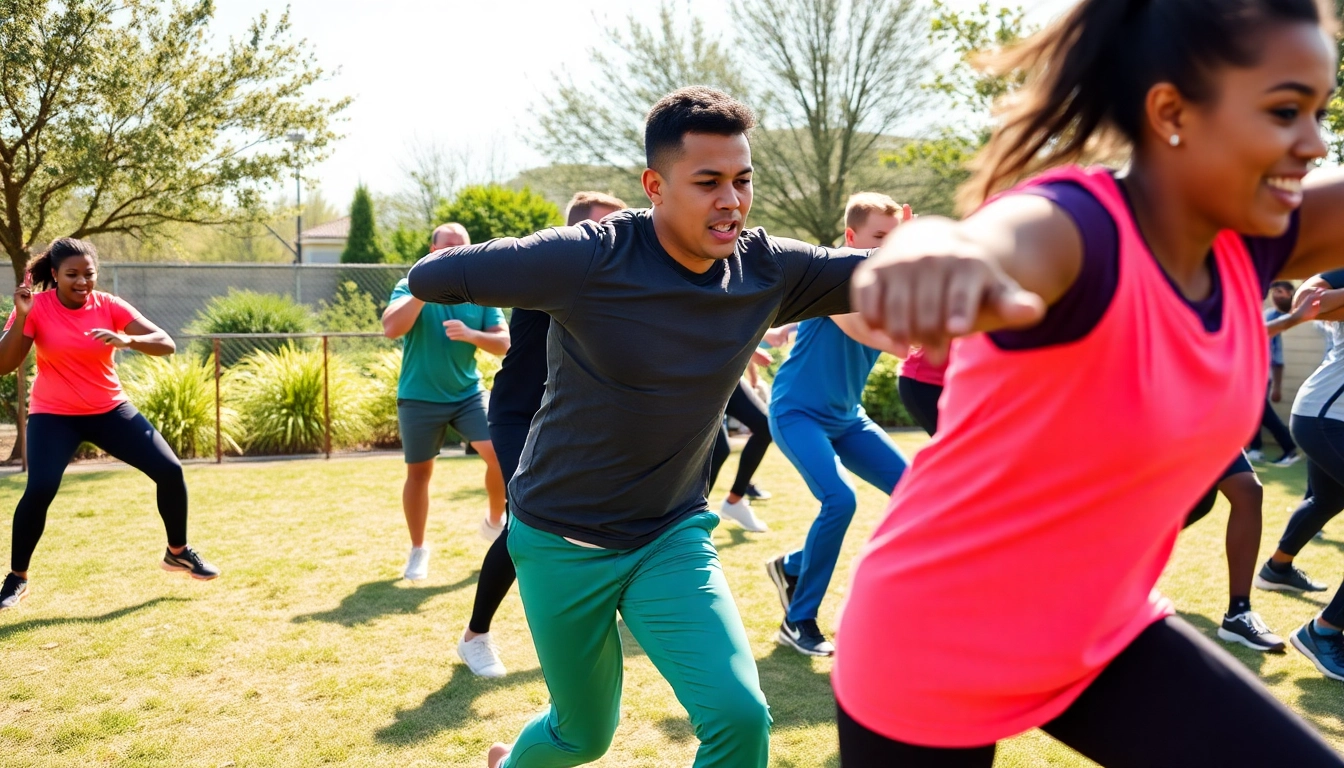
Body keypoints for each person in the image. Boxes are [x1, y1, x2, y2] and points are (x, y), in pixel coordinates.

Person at [834, 1, 1344, 764]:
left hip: (1101, 636)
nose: (1312, 143)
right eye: (1284, 111)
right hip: (935, 638)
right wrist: (937, 250)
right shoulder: (1078, 228)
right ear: (1171, 110)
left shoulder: (1256, 238)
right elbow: (998, 242)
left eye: (1320, 112)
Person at [409, 86, 869, 768]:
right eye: (708, 182)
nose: (731, 201)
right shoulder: (592, 258)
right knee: (582, 735)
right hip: (559, 540)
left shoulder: (766, 268)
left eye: (742, 181)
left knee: (742, 719)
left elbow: (873, 273)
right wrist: (527, 260)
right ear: (655, 185)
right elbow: (431, 275)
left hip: (670, 536)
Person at [456, 191, 628, 679]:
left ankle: (601, 614)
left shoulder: (616, 281)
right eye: (607, 230)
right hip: (520, 416)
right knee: (526, 526)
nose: (620, 241)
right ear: (575, 236)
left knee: (601, 515)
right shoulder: (549, 273)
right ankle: (476, 636)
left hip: (576, 420)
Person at [0, 238, 219, 611]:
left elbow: (165, 342)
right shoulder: (35, 308)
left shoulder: (109, 306)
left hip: (110, 410)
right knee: (39, 489)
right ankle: (16, 578)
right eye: (72, 275)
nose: (83, 281)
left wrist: (127, 339)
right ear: (54, 275)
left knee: (169, 469)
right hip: (54, 415)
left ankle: (177, 552)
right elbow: (5, 364)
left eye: (89, 274)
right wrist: (21, 317)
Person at [762, 193, 912, 657]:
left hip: (848, 419)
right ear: (851, 239)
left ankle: (792, 567)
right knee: (840, 500)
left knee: (915, 491)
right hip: (796, 412)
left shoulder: (889, 287)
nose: (890, 248)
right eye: (880, 239)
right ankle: (799, 618)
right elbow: (889, 339)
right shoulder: (831, 279)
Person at [1182, 291, 1325, 653]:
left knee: (1248, 490)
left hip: (1208, 416)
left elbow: (1242, 337)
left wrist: (1294, 318)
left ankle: (1238, 614)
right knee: (1187, 507)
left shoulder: (1229, 287)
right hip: (1167, 409)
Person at [382, 223, 510, 582]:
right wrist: (425, 289)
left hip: (467, 395)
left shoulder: (479, 292)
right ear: (432, 249)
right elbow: (391, 328)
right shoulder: (408, 286)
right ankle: (418, 550)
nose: (453, 254)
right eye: (446, 248)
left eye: (461, 248)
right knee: (419, 474)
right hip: (418, 397)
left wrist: (472, 335)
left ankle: (494, 521)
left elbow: (505, 343)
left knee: (499, 454)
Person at [708, 374, 774, 532]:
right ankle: (687, 518)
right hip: (702, 373)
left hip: (729, 372)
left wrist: (751, 364)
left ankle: (734, 501)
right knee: (719, 450)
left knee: (766, 428)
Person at [1248, 279, 1304, 464]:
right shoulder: (1268, 314)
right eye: (1275, 291)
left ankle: (1289, 448)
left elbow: (1277, 357)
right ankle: (1255, 448)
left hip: (1262, 376)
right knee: (1254, 412)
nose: (1276, 295)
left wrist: (1277, 387)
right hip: (1252, 374)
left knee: (1264, 413)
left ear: (1291, 295)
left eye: (1281, 291)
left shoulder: (1278, 319)